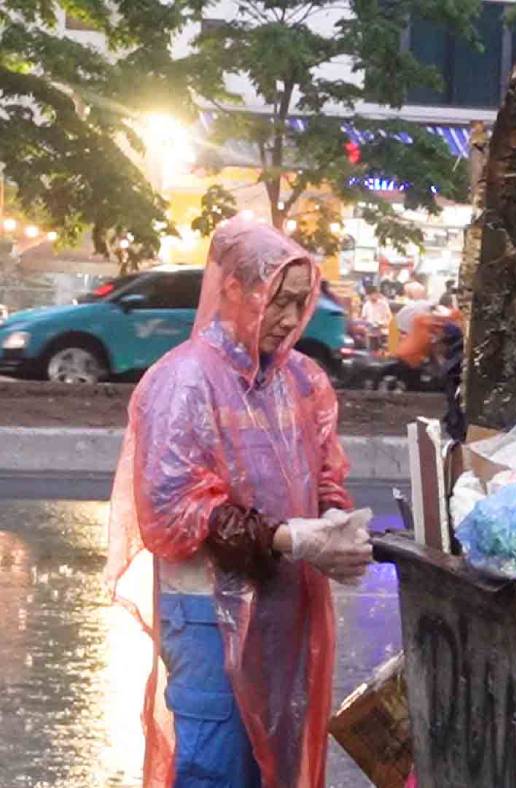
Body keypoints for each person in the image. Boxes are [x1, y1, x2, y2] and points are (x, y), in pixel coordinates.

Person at [104, 218, 373, 786]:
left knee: (278, 763)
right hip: (206, 613)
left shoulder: (302, 381)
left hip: (286, 611)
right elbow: (173, 513)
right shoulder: (184, 383)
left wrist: (331, 520)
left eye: (299, 303)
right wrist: (290, 539)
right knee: (217, 767)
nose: (287, 318)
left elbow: (326, 470)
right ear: (231, 289)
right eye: (275, 300)